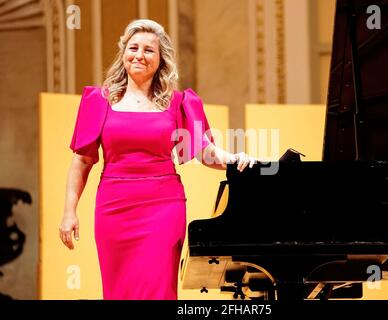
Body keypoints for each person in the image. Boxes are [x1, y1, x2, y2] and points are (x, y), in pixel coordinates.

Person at [59, 19, 256, 300]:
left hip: (162, 207)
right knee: (119, 292)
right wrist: (69, 212)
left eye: (149, 50)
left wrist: (235, 158)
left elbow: (205, 153)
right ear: (123, 54)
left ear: (161, 59)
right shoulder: (98, 101)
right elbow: (81, 161)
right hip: (114, 209)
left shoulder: (178, 103)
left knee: (159, 289)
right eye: (133, 47)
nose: (139, 55)